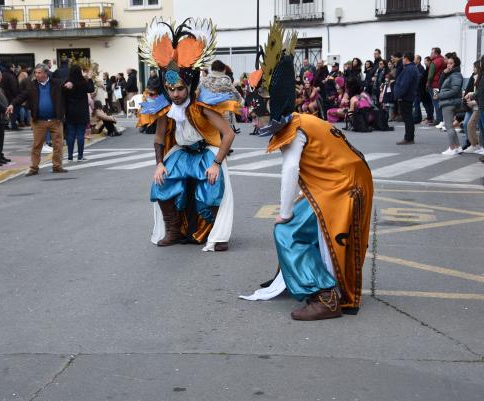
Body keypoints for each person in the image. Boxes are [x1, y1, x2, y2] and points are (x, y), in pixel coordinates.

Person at [240, 29, 373, 320]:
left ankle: (322, 296)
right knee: (300, 226)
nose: (253, 119)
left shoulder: (294, 128)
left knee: (287, 231)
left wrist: (285, 212)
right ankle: (301, 277)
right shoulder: (298, 121)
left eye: (257, 113)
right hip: (341, 181)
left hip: (340, 186)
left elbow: (290, 170)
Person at [138, 17, 238, 252]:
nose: (175, 94)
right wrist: (159, 164)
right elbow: (159, 138)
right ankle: (173, 230)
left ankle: (211, 232)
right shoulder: (165, 107)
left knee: (212, 187)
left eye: (180, 88)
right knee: (161, 183)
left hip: (207, 153)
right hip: (181, 153)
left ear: (189, 86)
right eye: (171, 89)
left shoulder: (202, 105)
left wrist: (216, 164)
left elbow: (229, 135)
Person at [7, 63, 70, 175]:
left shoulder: (56, 83)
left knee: (58, 145)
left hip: (56, 120)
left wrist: (69, 84)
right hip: (39, 121)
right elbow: (22, 96)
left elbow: (66, 83)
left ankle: (57, 166)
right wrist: (12, 104)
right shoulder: (32, 85)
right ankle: (34, 168)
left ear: (46, 73)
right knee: (37, 145)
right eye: (35, 73)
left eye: (39, 73)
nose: (36, 75)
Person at [64, 64, 95, 161]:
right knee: (81, 134)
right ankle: (80, 155)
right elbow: (91, 89)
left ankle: (70, 155)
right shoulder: (83, 82)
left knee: (71, 134)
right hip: (82, 110)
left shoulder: (67, 82)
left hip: (70, 110)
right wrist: (89, 78)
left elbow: (63, 92)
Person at [436, 54, 464, 155]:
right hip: (448, 102)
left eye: (451, 63)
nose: (448, 65)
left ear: (455, 65)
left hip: (449, 102)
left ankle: (452, 148)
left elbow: (455, 90)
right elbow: (440, 85)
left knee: (449, 126)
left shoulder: (456, 75)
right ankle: (458, 147)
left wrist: (440, 95)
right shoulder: (450, 74)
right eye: (447, 63)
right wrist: (443, 74)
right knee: (450, 126)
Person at [394, 53, 419, 145]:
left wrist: (399, 95)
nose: (402, 60)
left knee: (407, 118)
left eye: (403, 58)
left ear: (406, 59)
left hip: (405, 96)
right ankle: (409, 137)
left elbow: (404, 85)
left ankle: (408, 138)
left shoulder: (409, 69)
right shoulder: (413, 68)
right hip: (409, 95)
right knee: (408, 117)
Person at [427, 47, 446, 126]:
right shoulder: (443, 60)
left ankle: (439, 120)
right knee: (439, 102)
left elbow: (430, 75)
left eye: (432, 53)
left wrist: (428, 83)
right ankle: (440, 119)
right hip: (440, 84)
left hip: (434, 85)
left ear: (436, 53)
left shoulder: (434, 62)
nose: (430, 54)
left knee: (436, 102)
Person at [1, 64, 20, 131]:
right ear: (10, 68)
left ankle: (5, 124)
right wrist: (17, 96)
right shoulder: (11, 75)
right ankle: (13, 125)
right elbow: (14, 87)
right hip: (12, 96)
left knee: (6, 111)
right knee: (14, 111)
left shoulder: (2, 74)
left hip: (4, 96)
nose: (14, 68)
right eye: (14, 67)